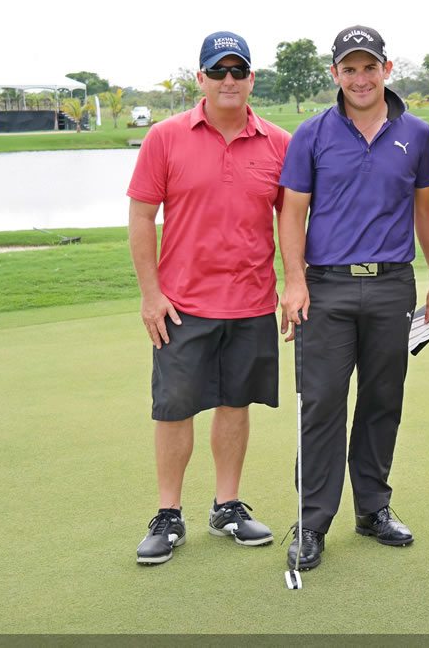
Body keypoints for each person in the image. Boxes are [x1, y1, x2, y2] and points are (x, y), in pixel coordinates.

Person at [278, 25, 429, 572]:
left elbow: (425, 209)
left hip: (392, 284)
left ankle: (372, 509)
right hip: (326, 286)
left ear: (386, 69)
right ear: (335, 74)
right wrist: (295, 280)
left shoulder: (417, 134)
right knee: (322, 401)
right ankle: (311, 521)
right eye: (349, 69)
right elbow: (292, 212)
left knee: (381, 400)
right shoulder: (312, 133)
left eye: (369, 67)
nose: (360, 78)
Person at [128, 31, 290, 565]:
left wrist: (296, 282)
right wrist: (150, 294)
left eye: (238, 71)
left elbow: (292, 220)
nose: (228, 80)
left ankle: (226, 506)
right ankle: (168, 513)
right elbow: (141, 216)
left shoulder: (278, 143)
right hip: (182, 304)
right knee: (174, 409)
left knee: (235, 404)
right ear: (200, 78)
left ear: (251, 79)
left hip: (251, 301)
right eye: (217, 71)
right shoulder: (165, 137)